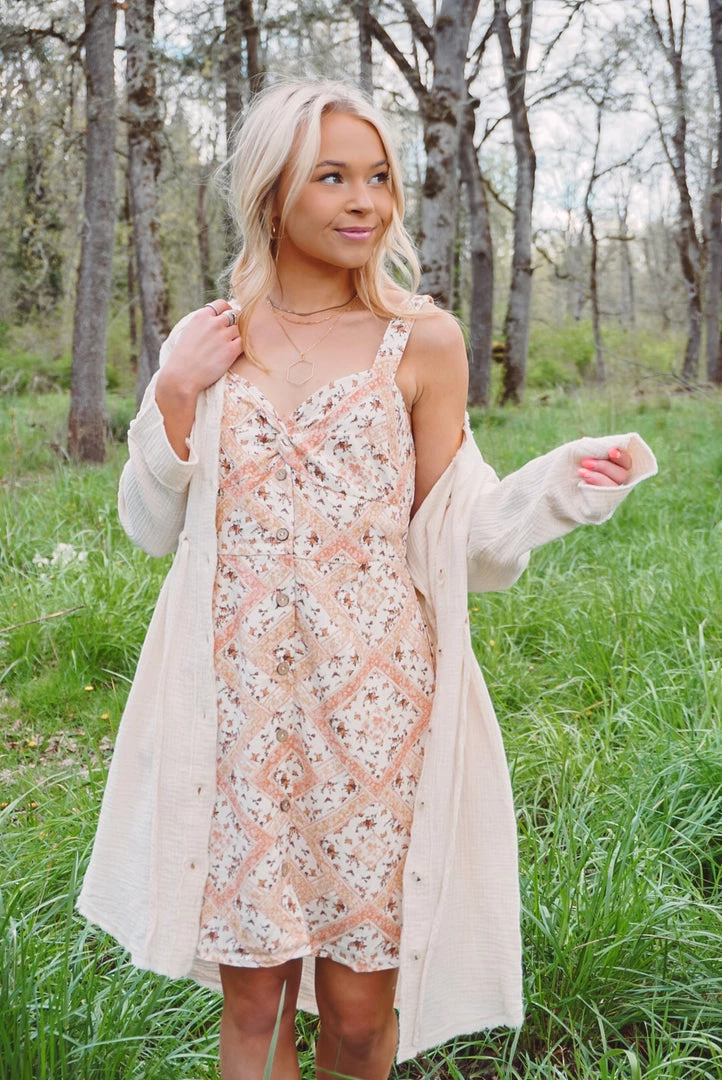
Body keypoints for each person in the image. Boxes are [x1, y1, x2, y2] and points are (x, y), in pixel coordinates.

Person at [77, 80, 657, 1080]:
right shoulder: (211, 338)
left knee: (355, 1012)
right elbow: (150, 524)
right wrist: (172, 388)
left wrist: (559, 488)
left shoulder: (423, 339)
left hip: (377, 716)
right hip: (241, 712)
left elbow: (458, 536)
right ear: (271, 194)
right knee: (253, 998)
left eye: (379, 177)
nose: (365, 202)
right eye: (332, 177)